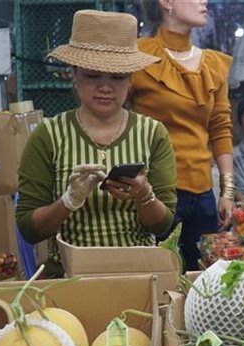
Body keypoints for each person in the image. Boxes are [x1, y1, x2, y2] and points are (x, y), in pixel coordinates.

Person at [15, 10, 178, 278]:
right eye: (93, 75)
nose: (105, 87)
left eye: (117, 77)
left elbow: (163, 227)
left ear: (130, 81)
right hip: (70, 277)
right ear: (74, 76)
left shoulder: (152, 134)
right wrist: (68, 202)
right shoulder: (49, 135)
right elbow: (29, 230)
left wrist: (144, 195)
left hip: (138, 274)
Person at [131, 0, 234, 271]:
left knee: (205, 280)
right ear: (166, 2)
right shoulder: (139, 56)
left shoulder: (213, 64)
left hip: (203, 196)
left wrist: (227, 190)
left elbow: (220, 127)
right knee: (159, 278)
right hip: (157, 192)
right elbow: (117, 116)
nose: (204, 1)